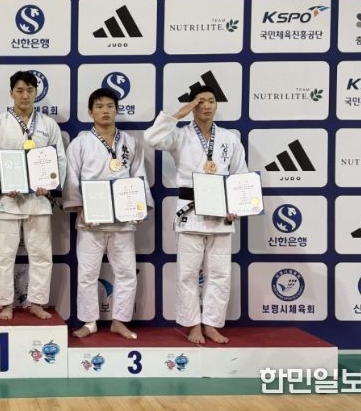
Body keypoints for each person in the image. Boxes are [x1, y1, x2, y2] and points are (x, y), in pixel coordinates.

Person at [144, 85, 247, 344]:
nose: (207, 106)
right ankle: (193, 324)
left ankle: (212, 323)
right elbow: (152, 139)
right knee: (188, 273)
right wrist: (180, 113)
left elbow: (240, 175)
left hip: (222, 213)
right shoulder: (180, 135)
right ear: (193, 106)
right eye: (201, 101)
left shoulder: (229, 138)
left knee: (220, 274)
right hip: (191, 212)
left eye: (211, 101)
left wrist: (237, 205)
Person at [63, 88, 153, 339]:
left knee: (126, 273)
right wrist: (80, 207)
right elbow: (72, 180)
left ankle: (120, 320)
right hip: (90, 221)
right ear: (90, 111)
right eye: (100, 106)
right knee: (87, 274)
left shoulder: (131, 143)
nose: (105, 111)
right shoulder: (80, 143)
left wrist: (139, 207)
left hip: (122, 221)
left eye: (110, 106)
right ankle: (89, 321)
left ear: (117, 110)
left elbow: (139, 176)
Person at [0, 70, 67, 320]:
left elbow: (59, 159)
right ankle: (5, 303)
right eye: (19, 90)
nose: (25, 95)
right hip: (9, 200)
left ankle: (37, 302)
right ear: (11, 93)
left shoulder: (48, 125)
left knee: (41, 254)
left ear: (36, 93)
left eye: (30, 90)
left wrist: (50, 183)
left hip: (39, 200)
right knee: (4, 255)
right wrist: (2, 184)